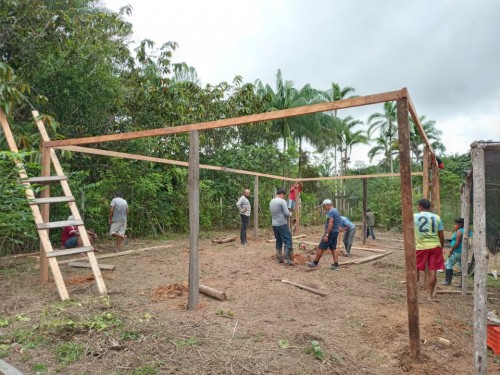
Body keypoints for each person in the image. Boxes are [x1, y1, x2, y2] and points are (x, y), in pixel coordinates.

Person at [414, 198, 445, 301]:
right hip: (435, 246)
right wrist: (441, 246)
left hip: (421, 247)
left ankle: (413, 293)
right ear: (429, 207)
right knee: (433, 271)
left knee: (415, 269)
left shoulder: (414, 217)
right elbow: (441, 235)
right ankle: (430, 296)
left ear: (420, 206)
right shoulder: (437, 218)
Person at [306, 199, 341, 270]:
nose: (324, 208)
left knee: (320, 247)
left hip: (330, 233)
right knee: (333, 248)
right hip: (335, 232)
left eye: (324, 206)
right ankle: (336, 265)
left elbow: (330, 223)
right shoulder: (336, 211)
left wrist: (327, 234)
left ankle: (315, 263)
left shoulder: (331, 212)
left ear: (327, 205)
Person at [270, 188, 293, 265]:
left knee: (278, 240)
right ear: (282, 194)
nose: (283, 197)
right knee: (287, 240)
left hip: (274, 224)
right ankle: (287, 259)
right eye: (283, 195)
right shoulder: (282, 201)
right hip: (282, 224)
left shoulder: (272, 201)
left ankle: (279, 258)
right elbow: (286, 213)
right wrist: (290, 214)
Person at [442, 218, 464, 286]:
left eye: (456, 224)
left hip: (457, 251)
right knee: (462, 267)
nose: (455, 225)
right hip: (462, 252)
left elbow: (457, 243)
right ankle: (462, 283)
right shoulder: (463, 230)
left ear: (460, 224)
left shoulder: (459, 231)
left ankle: (447, 281)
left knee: (448, 264)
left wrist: (452, 250)